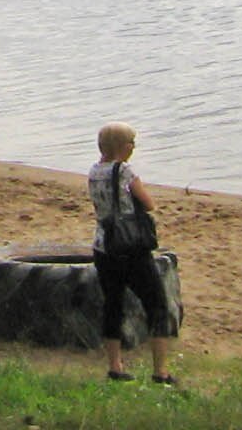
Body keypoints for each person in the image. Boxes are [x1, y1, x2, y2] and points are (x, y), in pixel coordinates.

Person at [90, 121, 178, 385]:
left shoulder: (94, 171)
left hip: (104, 245)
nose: (134, 148)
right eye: (132, 144)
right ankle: (160, 371)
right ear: (124, 147)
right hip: (130, 247)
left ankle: (115, 366)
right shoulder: (125, 171)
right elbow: (148, 203)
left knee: (113, 304)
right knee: (156, 304)